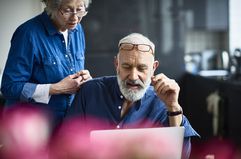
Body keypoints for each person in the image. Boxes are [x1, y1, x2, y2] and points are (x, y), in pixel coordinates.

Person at [67, 33, 199, 158]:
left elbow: (181, 155)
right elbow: (66, 142)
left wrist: (173, 107)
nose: (133, 76)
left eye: (142, 68)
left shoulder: (162, 101)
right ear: (117, 65)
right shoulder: (90, 91)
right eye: (127, 67)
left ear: (154, 67)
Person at [0, 0, 92, 127]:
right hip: (34, 127)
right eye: (67, 10)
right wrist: (55, 89)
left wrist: (84, 80)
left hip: (67, 124)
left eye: (80, 10)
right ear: (52, 7)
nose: (75, 18)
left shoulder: (77, 29)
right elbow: (9, 87)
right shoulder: (27, 33)